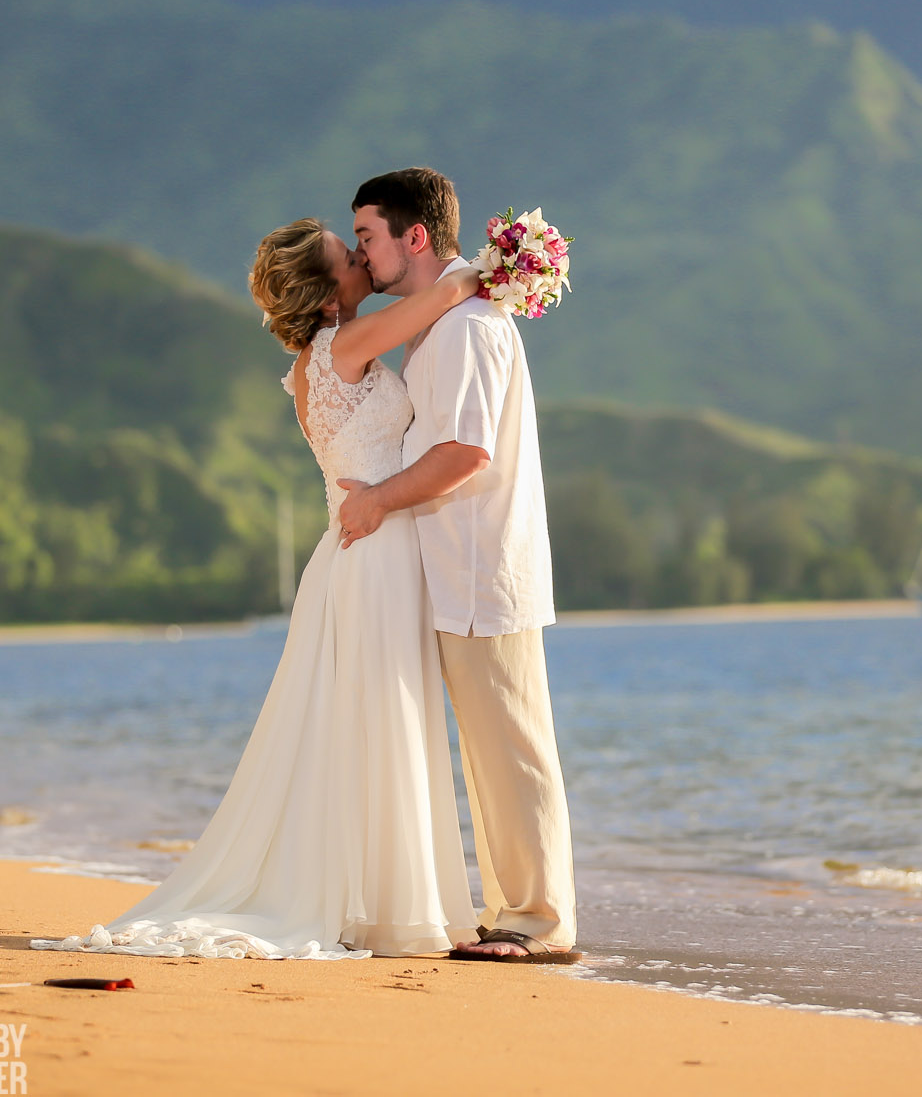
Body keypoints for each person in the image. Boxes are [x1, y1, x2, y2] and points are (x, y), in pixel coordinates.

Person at [30, 219, 482, 959]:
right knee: (379, 720)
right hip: (370, 557)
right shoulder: (341, 347)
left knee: (367, 726)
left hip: (362, 552)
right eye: (350, 253)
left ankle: (384, 902)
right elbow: (445, 295)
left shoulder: (320, 358)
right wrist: (500, 265)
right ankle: (389, 908)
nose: (364, 256)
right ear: (327, 287)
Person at [338, 167, 580, 964]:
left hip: (482, 566)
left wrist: (377, 498)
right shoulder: (445, 321)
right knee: (489, 747)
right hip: (457, 566)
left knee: (511, 746)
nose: (364, 254)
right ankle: (514, 910)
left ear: (415, 237)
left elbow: (465, 452)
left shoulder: (469, 326)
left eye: (369, 236)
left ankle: (540, 921)